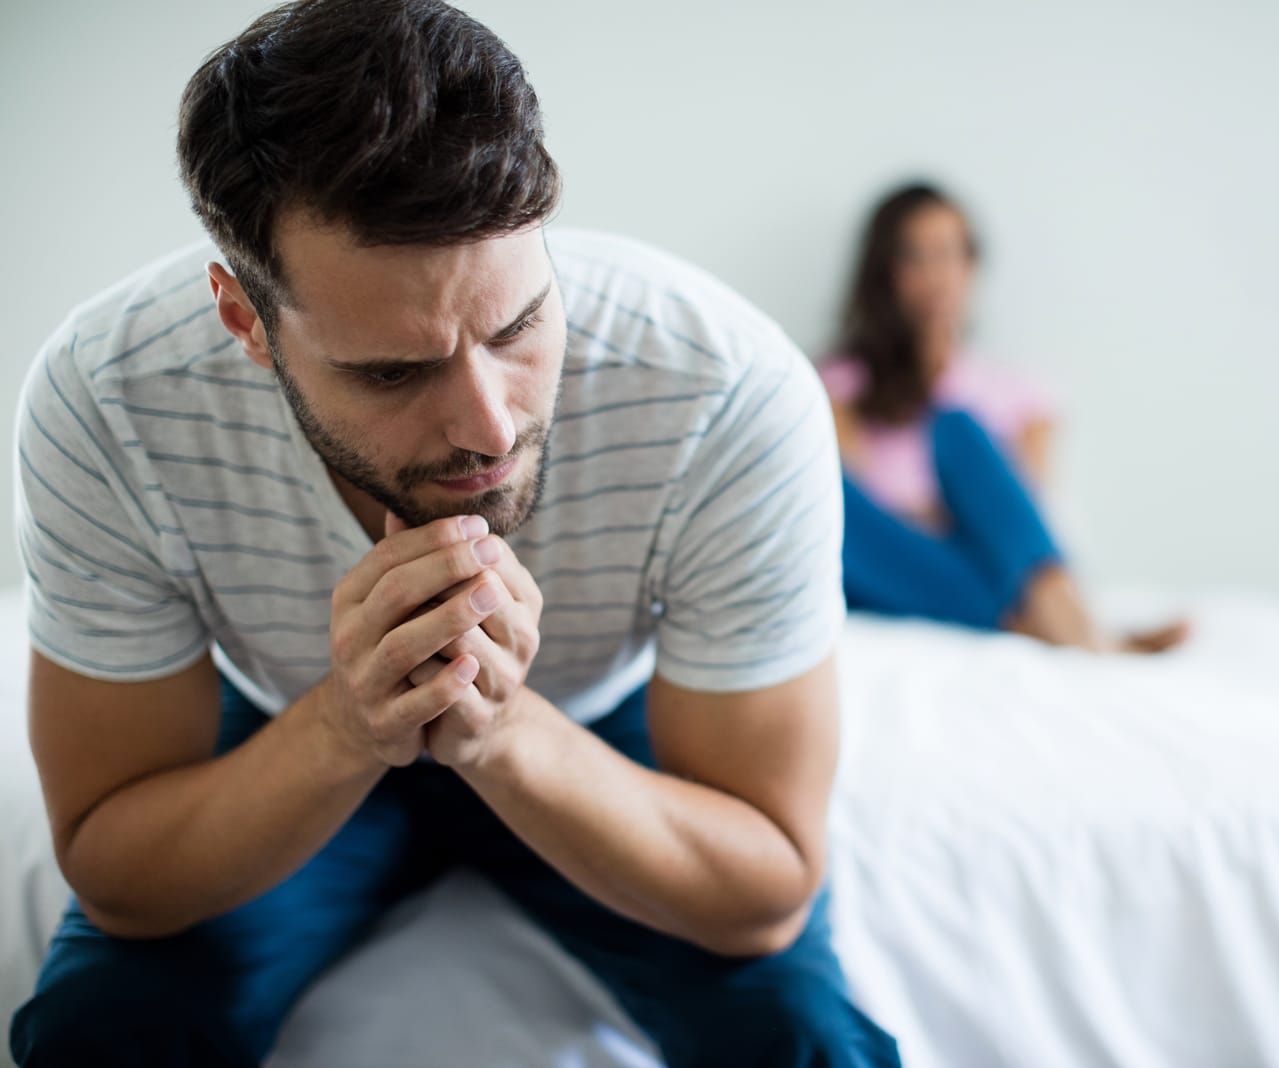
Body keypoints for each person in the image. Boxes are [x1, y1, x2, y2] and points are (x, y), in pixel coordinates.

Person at [7, 2, 900, 1065]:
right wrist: (346, 727)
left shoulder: (725, 393)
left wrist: (501, 731)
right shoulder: (106, 401)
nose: (489, 426)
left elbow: (762, 895)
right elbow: (116, 873)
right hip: (284, 726)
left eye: (517, 327)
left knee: (805, 1041)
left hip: (599, 729)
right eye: (391, 370)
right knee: (98, 1032)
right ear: (246, 321)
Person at [819, 183, 1188, 653]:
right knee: (822, 491)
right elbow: (858, 521)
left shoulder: (1019, 396)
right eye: (915, 256)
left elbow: (1024, 517)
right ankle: (1068, 631)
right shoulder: (839, 387)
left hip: (986, 560)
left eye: (951, 254)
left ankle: (1061, 616)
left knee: (955, 427)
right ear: (884, 272)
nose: (937, 275)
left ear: (973, 266)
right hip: (897, 568)